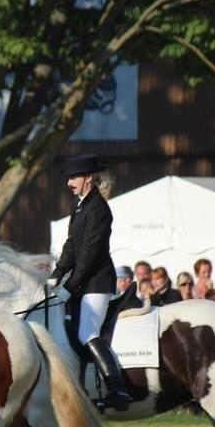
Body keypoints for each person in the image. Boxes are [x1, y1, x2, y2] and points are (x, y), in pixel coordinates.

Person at [47, 155, 131, 412]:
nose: (69, 183)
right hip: (82, 281)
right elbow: (72, 246)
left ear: (88, 178)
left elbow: (90, 255)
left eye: (73, 178)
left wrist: (69, 286)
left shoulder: (99, 210)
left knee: (86, 333)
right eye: (68, 178)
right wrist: (56, 273)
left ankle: (116, 388)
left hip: (97, 282)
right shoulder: (79, 205)